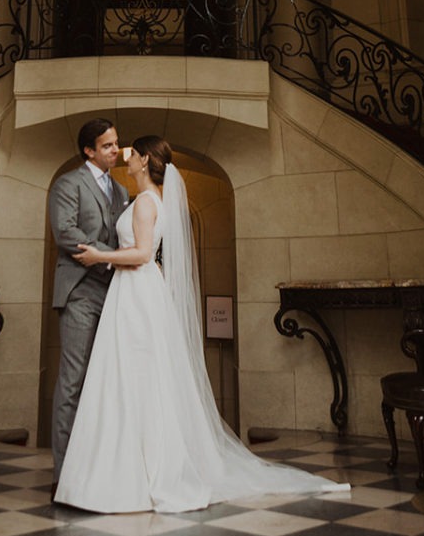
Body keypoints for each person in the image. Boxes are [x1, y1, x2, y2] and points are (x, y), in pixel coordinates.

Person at [55, 135, 350, 513]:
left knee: (136, 375)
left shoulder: (146, 202)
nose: (126, 158)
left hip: (136, 292)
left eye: (132, 154)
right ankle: (120, 468)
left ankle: (132, 474)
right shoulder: (145, 199)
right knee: (132, 375)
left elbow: (145, 253)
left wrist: (100, 256)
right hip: (133, 292)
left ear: (144, 161)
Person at [48, 118, 130, 496]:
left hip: (115, 291)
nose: (115, 150)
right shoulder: (68, 183)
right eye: (108, 145)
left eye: (116, 144)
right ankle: (64, 475)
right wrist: (113, 256)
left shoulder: (120, 190)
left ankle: (99, 468)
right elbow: (65, 233)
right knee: (73, 381)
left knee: (106, 383)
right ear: (89, 150)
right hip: (80, 291)